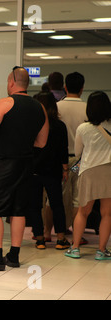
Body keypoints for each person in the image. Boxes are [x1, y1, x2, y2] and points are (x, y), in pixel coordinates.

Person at [0, 66, 49, 271]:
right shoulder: (39, 107)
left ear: (12, 82)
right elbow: (41, 142)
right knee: (18, 209)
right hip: (26, 163)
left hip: (5, 163)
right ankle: (13, 256)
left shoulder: (5, 103)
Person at [65, 91, 111, 260]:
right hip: (109, 171)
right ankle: (101, 251)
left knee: (83, 212)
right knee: (107, 213)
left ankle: (75, 248)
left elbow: (78, 153)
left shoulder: (83, 128)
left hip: (89, 171)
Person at [48, 72, 86, 239]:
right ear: (82, 89)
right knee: (78, 198)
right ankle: (77, 234)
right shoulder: (87, 108)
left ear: (65, 87)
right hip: (80, 159)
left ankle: (46, 232)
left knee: (54, 198)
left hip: (58, 159)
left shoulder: (57, 107)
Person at [29, 91, 70, 250]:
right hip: (53, 171)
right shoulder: (60, 126)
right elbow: (63, 149)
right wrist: (65, 168)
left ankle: (39, 239)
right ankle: (60, 239)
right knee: (57, 204)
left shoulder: (32, 125)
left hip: (33, 170)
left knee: (35, 205)